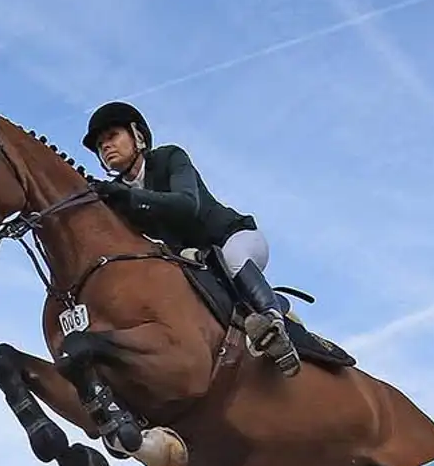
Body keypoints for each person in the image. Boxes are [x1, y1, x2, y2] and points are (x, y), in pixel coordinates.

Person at [83, 102, 300, 376]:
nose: (105, 146)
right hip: (197, 262)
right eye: (100, 144)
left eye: (112, 136)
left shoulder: (169, 157)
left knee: (232, 259)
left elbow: (187, 204)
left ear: (137, 135)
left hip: (233, 239)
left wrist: (128, 197)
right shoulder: (119, 196)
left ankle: (273, 322)